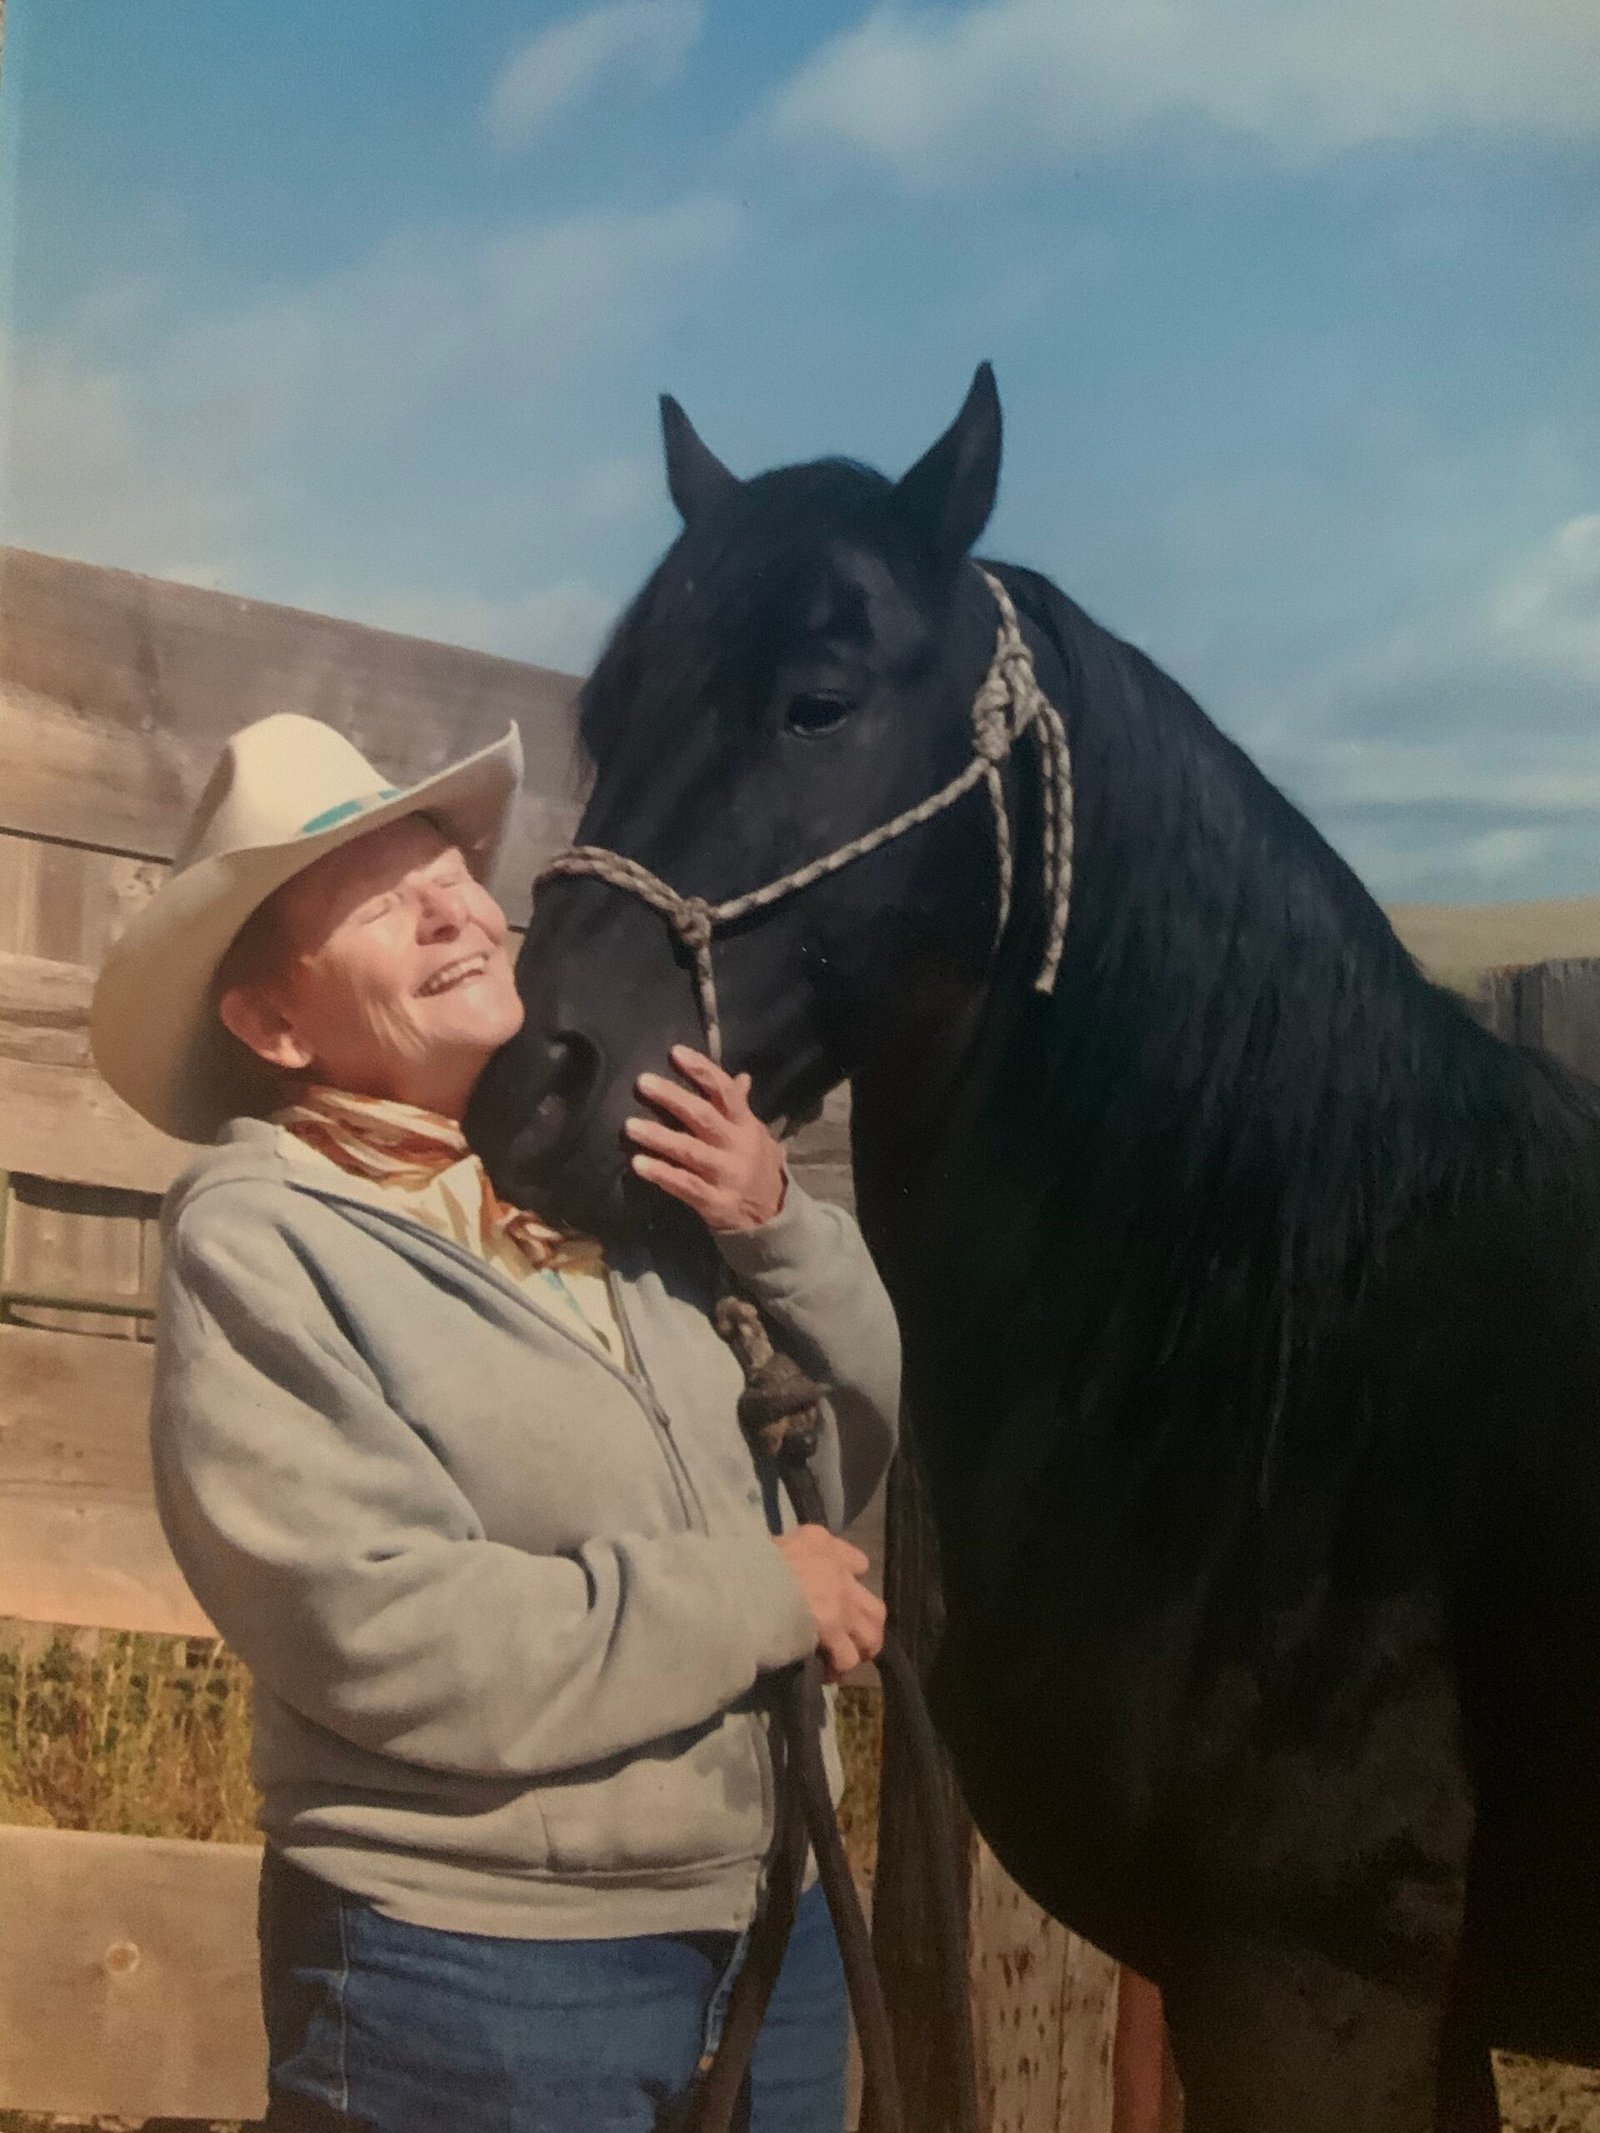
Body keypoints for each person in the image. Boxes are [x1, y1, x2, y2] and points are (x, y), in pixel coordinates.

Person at [90, 711, 897, 2133]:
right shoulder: (266, 1239)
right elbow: (387, 1626)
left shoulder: (619, 1187)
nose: (453, 905)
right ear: (274, 1021)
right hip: (473, 1975)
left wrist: (775, 1225)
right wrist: (749, 1597)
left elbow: (840, 1454)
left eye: (451, 866)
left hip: (772, 1923)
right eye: (378, 895)